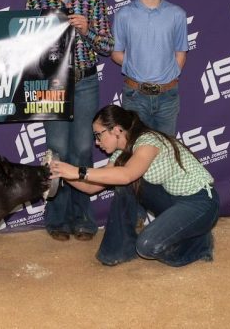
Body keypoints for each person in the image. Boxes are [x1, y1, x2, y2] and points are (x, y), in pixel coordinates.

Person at [49, 105, 219, 267]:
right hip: (174, 201)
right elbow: (92, 187)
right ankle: (119, 251)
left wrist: (78, 171)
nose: (96, 142)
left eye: (98, 135)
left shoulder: (148, 142)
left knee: (147, 246)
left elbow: (126, 175)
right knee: (120, 181)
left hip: (200, 203)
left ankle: (200, 244)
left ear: (116, 130)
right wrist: (62, 173)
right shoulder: (121, 154)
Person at [26, 0, 114, 242]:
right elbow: (26, 50)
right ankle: (57, 216)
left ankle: (83, 216)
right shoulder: (36, 1)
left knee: (82, 149)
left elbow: (107, 46)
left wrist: (87, 30)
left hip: (85, 80)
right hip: (51, 84)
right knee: (57, 150)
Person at [112, 0, 188, 136]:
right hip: (135, 95)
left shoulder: (177, 14)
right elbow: (116, 52)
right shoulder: (124, 15)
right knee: (137, 149)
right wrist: (134, 65)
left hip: (168, 95)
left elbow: (181, 52)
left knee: (167, 150)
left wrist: (170, 77)